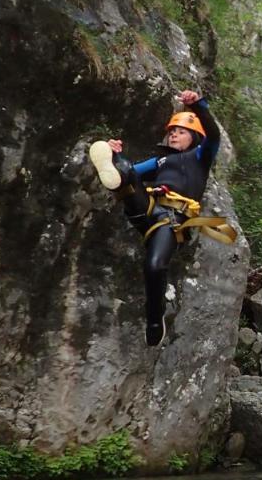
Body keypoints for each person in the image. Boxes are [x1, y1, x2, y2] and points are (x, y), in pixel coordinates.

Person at [88, 90, 236, 347]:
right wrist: (117, 155)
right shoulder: (161, 159)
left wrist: (198, 105)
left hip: (172, 220)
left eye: (180, 131)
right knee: (125, 171)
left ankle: (155, 320)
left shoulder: (200, 156)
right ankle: (112, 165)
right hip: (147, 209)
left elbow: (214, 135)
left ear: (194, 136)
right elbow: (135, 173)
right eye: (172, 131)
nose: (174, 134)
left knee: (155, 266)